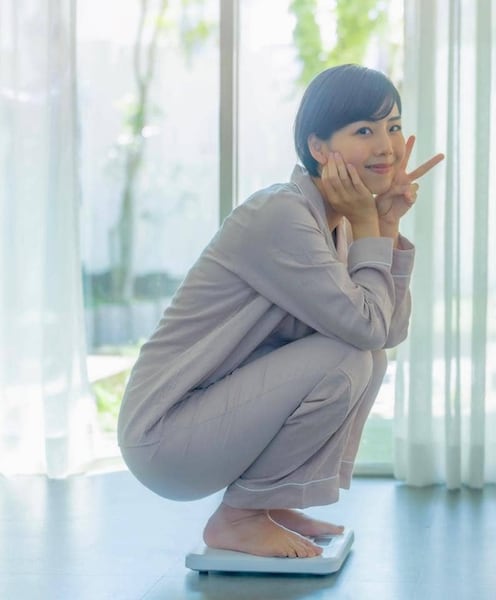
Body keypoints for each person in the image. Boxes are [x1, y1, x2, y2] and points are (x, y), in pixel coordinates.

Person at [117, 64, 444, 559]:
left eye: (393, 127)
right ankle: (240, 518)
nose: (387, 146)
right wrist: (368, 222)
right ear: (318, 148)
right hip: (166, 436)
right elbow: (368, 329)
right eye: (364, 130)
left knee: (365, 356)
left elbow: (389, 331)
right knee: (349, 354)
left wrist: (386, 224)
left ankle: (268, 502)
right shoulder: (282, 215)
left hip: (212, 422)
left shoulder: (337, 225)